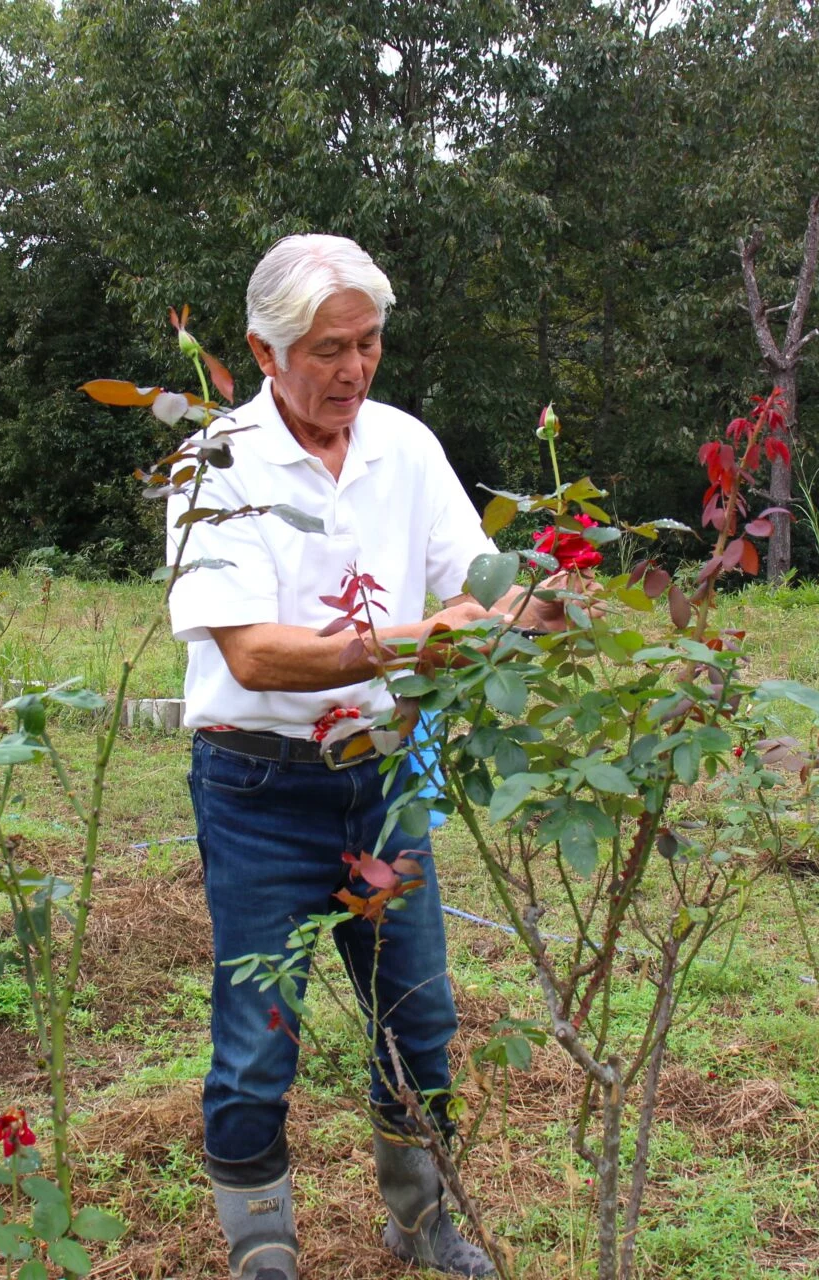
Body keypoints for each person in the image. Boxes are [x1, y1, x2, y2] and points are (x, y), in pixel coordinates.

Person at [167, 234, 571, 1280]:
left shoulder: (403, 446)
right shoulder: (216, 463)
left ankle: (421, 1216)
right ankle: (263, 1246)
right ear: (264, 349)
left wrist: (534, 601)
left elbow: (471, 585)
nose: (353, 369)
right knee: (260, 1034)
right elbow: (254, 653)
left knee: (421, 1016)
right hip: (258, 786)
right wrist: (428, 637)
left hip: (385, 777)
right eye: (328, 348)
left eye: (371, 343)